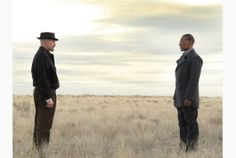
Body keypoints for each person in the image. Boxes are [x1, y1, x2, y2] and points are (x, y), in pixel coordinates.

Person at [173, 34, 203, 152]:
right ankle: (184, 147)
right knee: (182, 124)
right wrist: (176, 97)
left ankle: (192, 149)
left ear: (190, 42)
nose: (179, 44)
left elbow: (193, 80)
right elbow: (180, 82)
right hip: (180, 99)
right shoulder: (184, 57)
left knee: (191, 124)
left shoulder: (195, 58)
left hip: (188, 100)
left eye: (182, 41)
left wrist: (188, 98)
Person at [31, 32, 60, 154]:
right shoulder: (42, 56)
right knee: (44, 124)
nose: (55, 44)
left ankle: (38, 150)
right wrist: (48, 98)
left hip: (44, 92)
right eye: (53, 41)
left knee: (41, 123)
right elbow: (43, 79)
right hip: (45, 93)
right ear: (45, 41)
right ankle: (42, 152)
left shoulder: (44, 55)